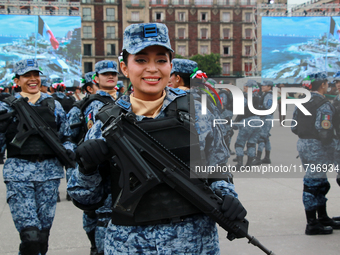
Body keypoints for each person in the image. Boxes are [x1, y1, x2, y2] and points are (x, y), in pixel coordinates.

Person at [68, 23, 246, 254]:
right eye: (141, 60)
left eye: (161, 60)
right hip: (129, 245)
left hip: (195, 242)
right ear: (125, 67)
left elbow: (217, 168)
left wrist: (226, 194)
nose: (152, 69)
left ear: (171, 66)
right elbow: (85, 198)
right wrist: (87, 168)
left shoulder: (198, 111)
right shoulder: (105, 123)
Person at [0, 59, 75, 254]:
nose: (33, 79)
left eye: (36, 75)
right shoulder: (6, 107)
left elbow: (66, 136)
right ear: (17, 80)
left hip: (49, 175)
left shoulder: (53, 105)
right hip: (19, 174)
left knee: (42, 237)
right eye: (27, 76)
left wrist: (68, 149)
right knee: (30, 236)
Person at [67, 63, 118, 255]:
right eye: (106, 74)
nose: (110, 77)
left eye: (113, 73)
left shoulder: (124, 100)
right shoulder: (93, 104)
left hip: (119, 170)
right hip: (99, 167)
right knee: (97, 216)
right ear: (96, 79)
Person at [292, 72, 340, 235]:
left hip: (303, 144)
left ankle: (323, 217)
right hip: (317, 146)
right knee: (313, 184)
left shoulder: (301, 101)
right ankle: (312, 223)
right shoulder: (323, 103)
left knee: (320, 183)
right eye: (327, 83)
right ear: (323, 85)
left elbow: (293, 127)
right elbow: (324, 130)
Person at [232, 80, 261, 170]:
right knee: (252, 143)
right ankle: (249, 164)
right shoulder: (259, 97)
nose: (244, 88)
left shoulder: (244, 97)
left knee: (239, 144)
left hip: (247, 122)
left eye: (246, 86)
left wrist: (235, 122)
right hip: (258, 121)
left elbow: (240, 111)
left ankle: (240, 164)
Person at [253, 80, 274, 165]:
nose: (262, 87)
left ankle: (258, 158)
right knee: (266, 138)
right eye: (262, 85)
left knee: (262, 137)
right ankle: (267, 157)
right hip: (264, 117)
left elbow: (267, 107)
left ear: (269, 87)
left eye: (265, 86)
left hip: (266, 118)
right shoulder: (265, 94)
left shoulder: (269, 95)